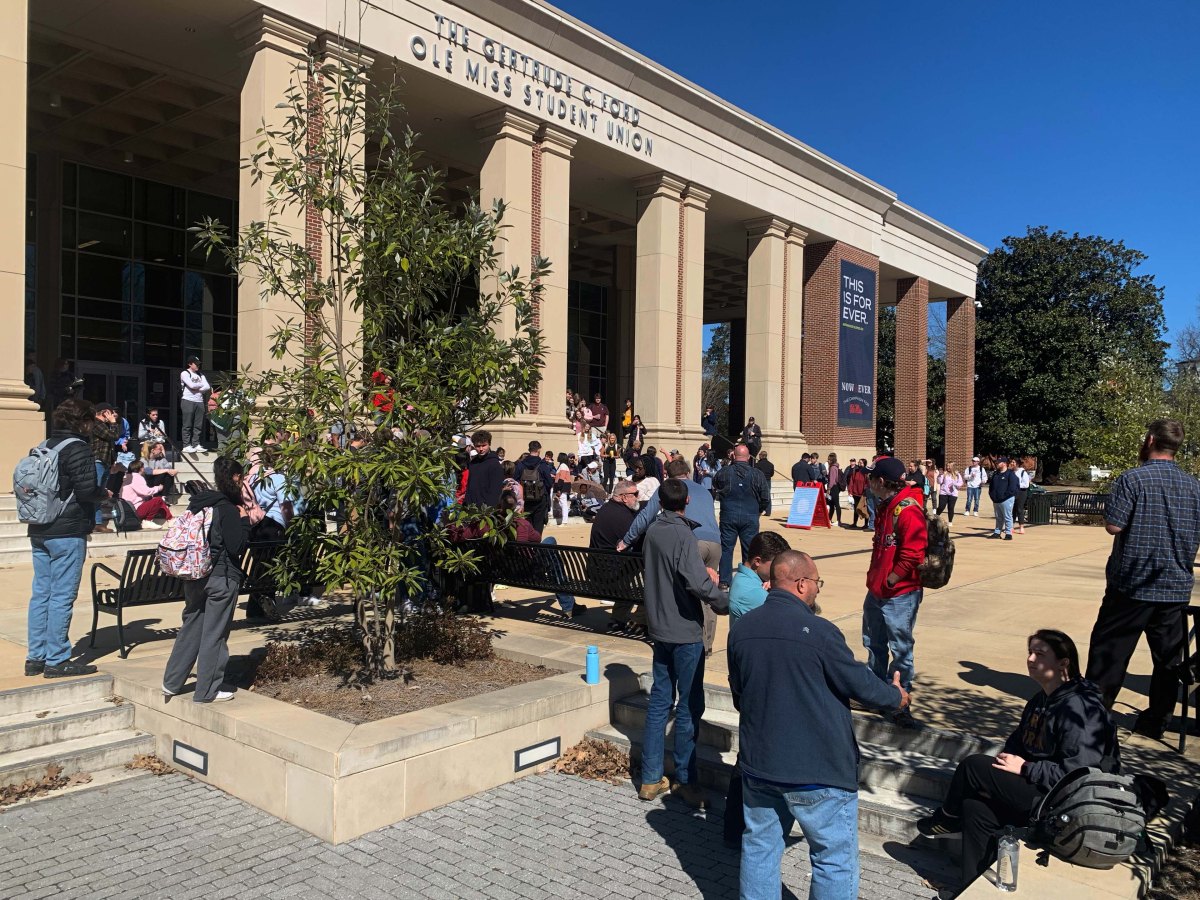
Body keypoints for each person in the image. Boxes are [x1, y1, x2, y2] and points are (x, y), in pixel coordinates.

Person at [730, 550, 909, 900]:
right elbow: (861, 685)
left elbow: (741, 696)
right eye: (816, 583)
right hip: (819, 770)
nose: (818, 590)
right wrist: (896, 697)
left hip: (760, 765)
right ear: (800, 584)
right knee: (833, 859)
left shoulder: (743, 629)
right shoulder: (821, 632)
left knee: (760, 849)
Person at [919, 630, 1119, 891]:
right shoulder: (1040, 700)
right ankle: (968, 888)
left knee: (973, 766)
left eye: (1040, 654)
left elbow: (1080, 773)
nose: (1031, 658)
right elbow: (1018, 743)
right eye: (1030, 652)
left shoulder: (1080, 707)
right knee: (975, 808)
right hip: (1039, 791)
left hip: (1066, 804)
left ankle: (946, 818)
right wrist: (1011, 762)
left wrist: (1025, 767)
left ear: (1064, 663)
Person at [1085, 419, 1200, 739]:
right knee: (1168, 661)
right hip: (1175, 585)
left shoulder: (1132, 479)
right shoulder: (1194, 486)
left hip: (1132, 584)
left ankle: (1095, 717)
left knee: (1109, 653)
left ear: (1150, 440)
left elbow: (1114, 526)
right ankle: (1157, 720)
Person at [637, 478, 729, 808]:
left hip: (659, 628)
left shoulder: (654, 532)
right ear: (687, 502)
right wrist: (723, 601)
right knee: (689, 706)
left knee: (660, 702)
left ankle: (650, 777)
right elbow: (697, 582)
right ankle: (685, 781)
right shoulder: (682, 535)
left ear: (660, 501)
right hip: (685, 632)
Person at [24, 397, 112, 679]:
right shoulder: (78, 449)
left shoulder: (42, 446)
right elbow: (87, 491)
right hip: (68, 530)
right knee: (62, 596)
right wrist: (105, 494)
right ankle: (58, 660)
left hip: (39, 528)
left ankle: (35, 657)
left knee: (41, 594)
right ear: (83, 422)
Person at [162, 457, 252, 703]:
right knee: (215, 633)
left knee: (191, 627)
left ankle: (171, 682)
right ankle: (207, 691)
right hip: (221, 577)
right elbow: (236, 546)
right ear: (235, 477)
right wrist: (245, 521)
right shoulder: (228, 508)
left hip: (195, 574)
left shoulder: (200, 504)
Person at [620, 457, 722, 653]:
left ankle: (688, 639)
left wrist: (626, 540)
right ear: (688, 473)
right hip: (714, 542)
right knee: (708, 589)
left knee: (685, 589)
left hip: (691, 540)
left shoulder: (670, 489)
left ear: (668, 475)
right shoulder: (704, 491)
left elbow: (645, 516)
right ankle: (706, 644)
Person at [863, 456, 927, 728]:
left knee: (900, 648)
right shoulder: (885, 506)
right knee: (874, 644)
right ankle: (875, 693)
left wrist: (891, 578)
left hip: (899, 592)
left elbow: (914, 552)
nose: (868, 483)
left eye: (871, 479)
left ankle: (899, 700)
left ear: (880, 481)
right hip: (878, 590)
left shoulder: (907, 509)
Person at [712, 444, 772, 588]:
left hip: (729, 515)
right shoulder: (757, 474)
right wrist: (758, 512)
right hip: (750, 516)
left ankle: (725, 581)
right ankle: (748, 581)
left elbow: (715, 487)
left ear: (733, 455)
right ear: (749, 456)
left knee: (726, 549)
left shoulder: (724, 472)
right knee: (750, 551)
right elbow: (765, 497)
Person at [728, 531, 790, 621]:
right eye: (775, 565)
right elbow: (794, 617)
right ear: (757, 561)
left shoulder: (742, 579)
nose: (780, 572)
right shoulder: (754, 592)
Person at [90, 403, 120, 533]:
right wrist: (113, 423)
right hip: (98, 461)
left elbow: (113, 441)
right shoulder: (96, 423)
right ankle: (94, 521)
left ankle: (97, 522)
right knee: (95, 491)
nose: (113, 416)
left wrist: (112, 461)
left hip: (105, 461)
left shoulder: (104, 425)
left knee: (100, 493)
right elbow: (113, 436)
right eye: (110, 413)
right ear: (104, 413)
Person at [514, 440, 555, 533]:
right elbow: (549, 483)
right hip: (540, 499)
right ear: (539, 450)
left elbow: (515, 481)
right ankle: (536, 546)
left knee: (527, 525)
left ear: (529, 450)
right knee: (538, 526)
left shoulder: (521, 464)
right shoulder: (543, 465)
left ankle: (528, 546)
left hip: (526, 499)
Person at [120, 459, 172, 529]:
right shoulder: (136, 477)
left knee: (157, 501)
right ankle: (148, 521)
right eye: (143, 467)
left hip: (129, 509)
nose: (144, 469)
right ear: (140, 468)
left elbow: (140, 493)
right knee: (158, 500)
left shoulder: (127, 478)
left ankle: (171, 519)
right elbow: (146, 492)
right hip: (135, 510)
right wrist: (159, 488)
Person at [464, 431, 504, 508]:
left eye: (484, 445)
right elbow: (469, 486)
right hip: (471, 508)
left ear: (489, 444)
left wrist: (488, 511)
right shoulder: (473, 463)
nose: (481, 449)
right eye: (478, 446)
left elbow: (495, 491)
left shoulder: (494, 464)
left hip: (485, 510)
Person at [179, 355, 211, 453]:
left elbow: (207, 387)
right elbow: (191, 385)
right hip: (188, 400)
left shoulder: (201, 375)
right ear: (190, 364)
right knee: (187, 424)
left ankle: (196, 444)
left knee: (198, 424)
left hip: (199, 401)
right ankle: (186, 445)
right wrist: (200, 386)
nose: (198, 366)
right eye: (195, 364)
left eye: (198, 364)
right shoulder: (185, 373)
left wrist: (197, 388)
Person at [987, 456, 1019, 540]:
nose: (997, 464)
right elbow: (991, 486)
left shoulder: (1010, 474)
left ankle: (1008, 533)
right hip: (996, 500)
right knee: (998, 517)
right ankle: (997, 532)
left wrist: (1004, 496)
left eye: (999, 462)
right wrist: (992, 495)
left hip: (1007, 499)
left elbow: (1013, 488)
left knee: (1007, 516)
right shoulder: (995, 474)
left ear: (1004, 464)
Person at [847, 459, 869, 529]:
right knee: (856, 508)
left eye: (861, 463)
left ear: (864, 464)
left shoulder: (866, 472)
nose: (859, 464)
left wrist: (865, 490)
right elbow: (851, 481)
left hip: (863, 494)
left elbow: (867, 482)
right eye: (859, 462)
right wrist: (850, 491)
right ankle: (854, 523)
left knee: (864, 508)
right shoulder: (855, 471)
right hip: (855, 493)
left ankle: (866, 524)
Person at [1012, 456, 1032, 534]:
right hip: (1013, 492)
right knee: (1012, 509)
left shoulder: (1023, 472)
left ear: (1017, 464)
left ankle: (1021, 527)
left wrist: (1016, 485)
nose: (1012, 463)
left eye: (1013, 462)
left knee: (1019, 509)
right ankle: (1011, 527)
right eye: (1011, 462)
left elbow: (1026, 484)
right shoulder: (1011, 472)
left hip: (1021, 492)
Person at [826, 453, 843, 526]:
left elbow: (832, 480)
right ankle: (830, 519)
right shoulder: (835, 467)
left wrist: (829, 488)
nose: (828, 461)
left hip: (834, 487)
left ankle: (838, 521)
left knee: (835, 504)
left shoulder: (833, 468)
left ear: (832, 460)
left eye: (829, 459)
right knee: (832, 504)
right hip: (835, 487)